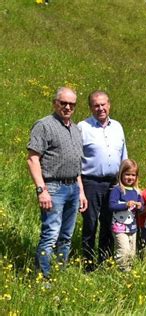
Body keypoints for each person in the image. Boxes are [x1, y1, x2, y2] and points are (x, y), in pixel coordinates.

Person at [27, 87, 88, 279]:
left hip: (73, 188)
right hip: (53, 188)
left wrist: (81, 191)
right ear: (55, 103)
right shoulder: (44, 125)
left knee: (66, 236)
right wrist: (41, 190)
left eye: (72, 104)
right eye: (64, 103)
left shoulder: (76, 129)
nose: (68, 107)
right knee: (50, 235)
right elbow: (32, 159)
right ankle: (43, 278)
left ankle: (59, 274)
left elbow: (76, 164)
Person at [78, 90, 128, 271]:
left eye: (103, 104)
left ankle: (105, 261)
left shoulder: (118, 127)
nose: (100, 108)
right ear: (91, 107)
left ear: (109, 105)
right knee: (90, 223)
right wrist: (80, 188)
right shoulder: (83, 127)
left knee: (109, 223)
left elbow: (124, 156)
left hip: (113, 183)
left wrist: (124, 184)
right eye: (96, 105)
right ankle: (88, 264)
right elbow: (77, 159)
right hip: (91, 182)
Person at [108, 159, 143, 272]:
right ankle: (122, 271)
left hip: (132, 228)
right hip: (119, 227)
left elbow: (141, 207)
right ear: (121, 174)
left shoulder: (136, 191)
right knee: (123, 250)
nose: (130, 178)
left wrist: (139, 206)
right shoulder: (117, 190)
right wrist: (125, 205)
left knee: (131, 253)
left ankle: (129, 271)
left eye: (133, 175)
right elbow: (111, 206)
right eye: (127, 174)